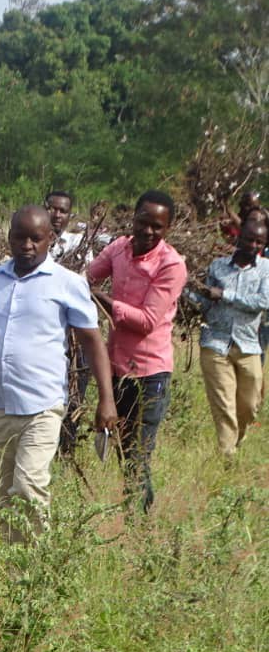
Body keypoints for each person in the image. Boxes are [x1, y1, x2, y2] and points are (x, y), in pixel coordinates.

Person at [0, 205, 117, 543]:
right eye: (20, 237)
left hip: (42, 407)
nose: (27, 245)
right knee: (3, 493)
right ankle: (15, 564)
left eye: (36, 238)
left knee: (29, 486)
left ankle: (38, 564)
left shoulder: (67, 284)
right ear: (9, 237)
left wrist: (106, 400)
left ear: (50, 239)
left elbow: (92, 343)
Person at [87, 190, 187, 512]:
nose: (148, 232)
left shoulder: (171, 265)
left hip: (150, 374)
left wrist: (100, 299)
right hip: (117, 368)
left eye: (157, 227)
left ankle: (138, 523)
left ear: (167, 228)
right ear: (134, 217)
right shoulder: (118, 248)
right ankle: (138, 517)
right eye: (143, 222)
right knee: (124, 449)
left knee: (137, 455)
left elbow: (145, 321)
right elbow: (87, 277)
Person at [185, 218, 269, 458]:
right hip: (215, 342)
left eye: (258, 242)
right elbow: (205, 303)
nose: (253, 245)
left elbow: (264, 302)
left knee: (250, 405)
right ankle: (227, 456)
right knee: (224, 405)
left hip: (248, 344)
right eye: (249, 239)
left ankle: (237, 440)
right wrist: (186, 290)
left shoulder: (266, 269)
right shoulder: (217, 267)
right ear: (237, 239)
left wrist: (226, 294)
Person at [45, 191, 96, 455]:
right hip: (46, 332)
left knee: (76, 389)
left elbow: (86, 281)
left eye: (62, 211)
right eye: (52, 209)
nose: (56, 215)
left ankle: (67, 447)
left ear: (69, 215)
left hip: (75, 332)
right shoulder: (35, 240)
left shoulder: (79, 244)